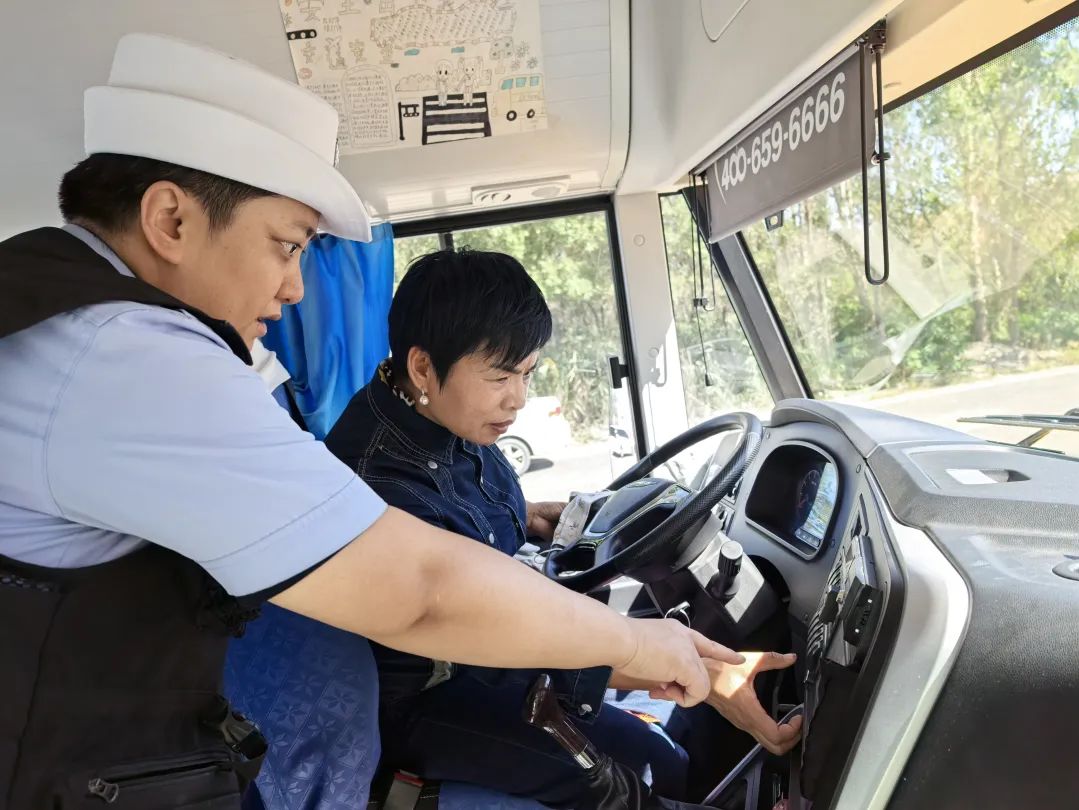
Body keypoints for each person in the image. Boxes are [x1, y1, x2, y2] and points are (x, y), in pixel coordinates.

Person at [0, 33, 749, 809]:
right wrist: (633, 642)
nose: (294, 288)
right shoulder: (123, 356)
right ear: (171, 219)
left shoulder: (72, 315)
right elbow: (419, 588)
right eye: (285, 246)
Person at [323, 249, 803, 807]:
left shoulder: (442, 415)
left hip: (495, 647)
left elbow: (466, 521)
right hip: (431, 693)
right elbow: (471, 628)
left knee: (664, 763)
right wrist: (669, 666)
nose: (519, 399)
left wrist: (527, 514)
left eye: (527, 373)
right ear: (423, 366)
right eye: (501, 376)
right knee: (632, 787)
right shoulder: (380, 481)